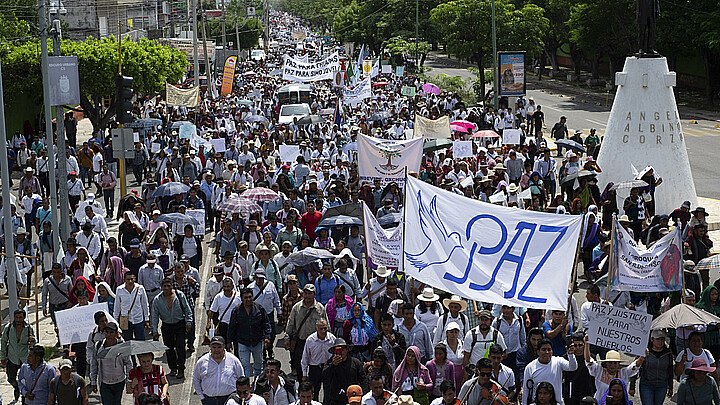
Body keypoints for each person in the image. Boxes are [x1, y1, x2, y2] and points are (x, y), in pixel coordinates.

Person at [151, 277, 193, 379]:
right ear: (161, 287)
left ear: (172, 286)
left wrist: (188, 322)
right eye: (164, 286)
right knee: (169, 348)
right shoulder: (157, 300)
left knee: (180, 347)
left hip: (179, 325)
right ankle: (173, 368)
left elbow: (187, 309)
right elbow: (155, 316)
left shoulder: (179, 295)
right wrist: (155, 330)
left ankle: (181, 369)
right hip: (166, 326)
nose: (166, 288)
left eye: (168, 286)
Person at [285, 284, 329, 377]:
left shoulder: (320, 308)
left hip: (315, 342)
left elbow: (326, 325)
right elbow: (291, 324)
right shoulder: (296, 307)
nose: (307, 295)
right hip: (301, 342)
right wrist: (287, 338)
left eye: (310, 293)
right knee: (299, 365)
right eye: (306, 293)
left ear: (314, 294)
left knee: (315, 368)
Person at [227, 287, 272, 378]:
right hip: (243, 343)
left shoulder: (259, 309)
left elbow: (266, 324)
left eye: (250, 297)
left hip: (258, 342)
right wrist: (229, 342)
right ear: (241, 299)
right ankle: (246, 386)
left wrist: (267, 337)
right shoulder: (236, 310)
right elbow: (231, 327)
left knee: (258, 366)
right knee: (244, 366)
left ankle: (257, 384)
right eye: (246, 297)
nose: (248, 299)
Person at [583, 335, 642, 402]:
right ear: (606, 363)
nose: (612, 365)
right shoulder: (599, 371)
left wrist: (642, 357)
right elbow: (588, 360)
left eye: (615, 363)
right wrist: (587, 344)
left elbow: (635, 365)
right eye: (610, 363)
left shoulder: (624, 373)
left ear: (618, 364)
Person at [522, 338, 578, 405]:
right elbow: (526, 389)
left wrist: (571, 355)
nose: (547, 352)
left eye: (549, 350)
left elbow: (573, 367)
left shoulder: (558, 361)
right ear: (538, 352)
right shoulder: (530, 367)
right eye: (543, 350)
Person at [193, 336, 245, 405]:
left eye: (219, 347)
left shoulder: (233, 360)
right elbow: (196, 379)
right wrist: (201, 397)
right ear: (210, 347)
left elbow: (241, 378)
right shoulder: (202, 362)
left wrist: (239, 396)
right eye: (214, 347)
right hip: (209, 400)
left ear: (224, 347)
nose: (216, 350)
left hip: (229, 399)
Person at [90, 322, 132, 405]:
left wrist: (128, 380)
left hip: (119, 382)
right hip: (105, 383)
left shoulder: (122, 347)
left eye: (111, 332)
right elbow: (94, 364)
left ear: (116, 333)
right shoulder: (98, 346)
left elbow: (128, 363)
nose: (109, 335)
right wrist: (93, 382)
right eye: (107, 332)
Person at [1, 309, 36, 401]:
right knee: (10, 378)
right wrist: (2, 357)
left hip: (25, 358)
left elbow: (34, 342)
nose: (18, 320)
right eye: (16, 317)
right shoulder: (8, 328)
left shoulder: (29, 328)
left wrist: (32, 340)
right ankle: (17, 388)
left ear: (24, 318)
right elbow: (3, 342)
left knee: (27, 380)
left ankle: (24, 396)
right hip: (12, 358)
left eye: (20, 317)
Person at [322, 338, 368, 405]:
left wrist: (362, 395)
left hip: (352, 399)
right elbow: (325, 375)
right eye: (338, 350)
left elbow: (363, 380)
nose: (341, 352)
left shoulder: (355, 363)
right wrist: (333, 365)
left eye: (342, 349)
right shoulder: (330, 363)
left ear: (347, 349)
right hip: (335, 400)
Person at [637, 329, 673, 405]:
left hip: (662, 385)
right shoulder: (645, 351)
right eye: (657, 339)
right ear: (652, 339)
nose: (660, 342)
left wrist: (671, 387)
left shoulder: (668, 353)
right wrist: (632, 386)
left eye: (662, 339)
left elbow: (670, 370)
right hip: (647, 384)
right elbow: (636, 367)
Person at [301, 319, 335, 399]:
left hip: (328, 368)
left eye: (325, 328)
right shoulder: (310, 340)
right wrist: (304, 374)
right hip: (315, 369)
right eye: (321, 329)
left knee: (328, 391)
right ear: (316, 329)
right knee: (314, 392)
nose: (323, 331)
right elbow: (305, 357)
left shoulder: (332, 339)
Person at [114, 272, 150, 341]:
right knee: (127, 342)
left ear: (135, 279)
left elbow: (145, 305)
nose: (130, 281)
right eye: (128, 279)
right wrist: (116, 321)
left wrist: (146, 318)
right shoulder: (119, 290)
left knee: (140, 342)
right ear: (124, 280)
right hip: (125, 321)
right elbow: (117, 307)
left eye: (131, 279)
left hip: (138, 319)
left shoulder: (140, 288)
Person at [41, 263, 71, 345]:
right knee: (56, 325)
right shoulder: (47, 281)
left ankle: (66, 341)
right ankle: (59, 339)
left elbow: (71, 293)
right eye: (54, 272)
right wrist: (44, 307)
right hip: (53, 306)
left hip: (64, 305)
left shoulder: (67, 279)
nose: (56, 274)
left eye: (58, 272)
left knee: (65, 324)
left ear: (61, 271)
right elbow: (44, 294)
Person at [562, 332, 594, 405]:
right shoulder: (566, 358)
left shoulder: (590, 357)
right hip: (571, 394)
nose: (578, 348)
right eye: (575, 345)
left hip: (586, 392)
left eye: (580, 345)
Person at [207, 278, 242, 343]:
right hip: (223, 326)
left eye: (228, 286)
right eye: (224, 286)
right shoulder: (218, 297)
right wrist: (208, 322)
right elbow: (211, 311)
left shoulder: (239, 296)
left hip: (236, 326)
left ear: (232, 286)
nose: (226, 289)